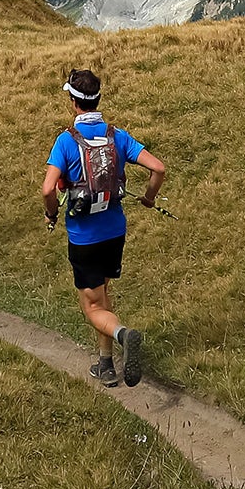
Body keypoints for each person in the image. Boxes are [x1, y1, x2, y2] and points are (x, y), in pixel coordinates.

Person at [40, 68, 166, 388]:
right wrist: (149, 199)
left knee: (93, 304)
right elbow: (158, 168)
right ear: (97, 99)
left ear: (73, 102)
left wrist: (52, 215)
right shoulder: (117, 136)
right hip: (115, 230)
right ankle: (106, 364)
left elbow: (47, 190)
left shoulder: (66, 141)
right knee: (104, 294)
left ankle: (124, 335)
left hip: (85, 237)